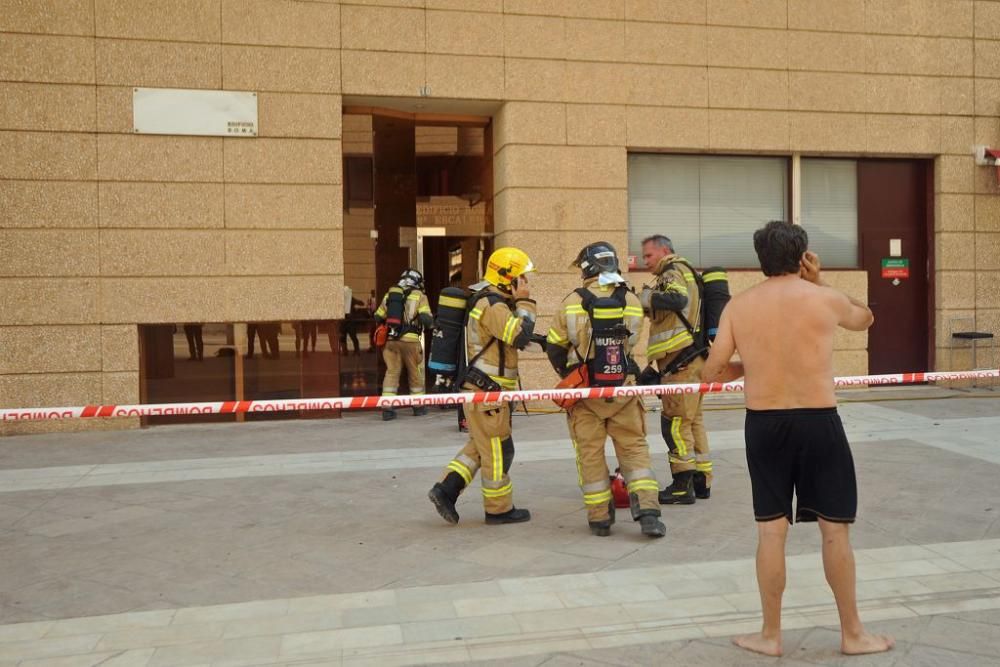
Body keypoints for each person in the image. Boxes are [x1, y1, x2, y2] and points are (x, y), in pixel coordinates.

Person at [702, 220, 893, 658]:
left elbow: (711, 372)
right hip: (819, 421)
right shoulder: (824, 299)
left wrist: (754, 365)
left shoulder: (740, 306)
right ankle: (853, 634)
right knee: (835, 530)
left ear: (760, 259)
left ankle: (770, 636)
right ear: (803, 256)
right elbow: (866, 319)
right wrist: (821, 280)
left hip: (764, 423)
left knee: (770, 531)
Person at [546, 242, 666, 538]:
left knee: (590, 453)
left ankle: (600, 518)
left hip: (586, 394)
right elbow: (633, 341)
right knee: (635, 451)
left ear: (587, 267)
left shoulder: (572, 301)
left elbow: (554, 346)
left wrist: (572, 374)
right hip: (623, 389)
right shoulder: (631, 300)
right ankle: (648, 513)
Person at [427, 247, 538, 525]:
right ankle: (499, 509)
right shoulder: (493, 305)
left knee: (480, 446)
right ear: (507, 279)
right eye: (522, 279)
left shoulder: (490, 302)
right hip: (488, 393)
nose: (526, 284)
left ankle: (446, 490)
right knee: (500, 451)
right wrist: (526, 302)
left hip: (484, 392)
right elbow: (519, 335)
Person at [639, 235, 712, 505]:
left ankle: (682, 485)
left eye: (648, 255)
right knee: (694, 421)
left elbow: (675, 299)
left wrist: (643, 297)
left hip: (680, 362)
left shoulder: (672, 272)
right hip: (694, 360)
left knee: (676, 423)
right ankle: (702, 480)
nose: (645, 261)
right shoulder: (688, 271)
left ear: (665, 251)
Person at [373, 269, 434, 421]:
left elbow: (377, 316)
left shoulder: (390, 295)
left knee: (392, 372)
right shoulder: (420, 296)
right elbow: (427, 320)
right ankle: (418, 407)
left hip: (391, 342)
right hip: (411, 342)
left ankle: (387, 409)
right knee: (414, 373)